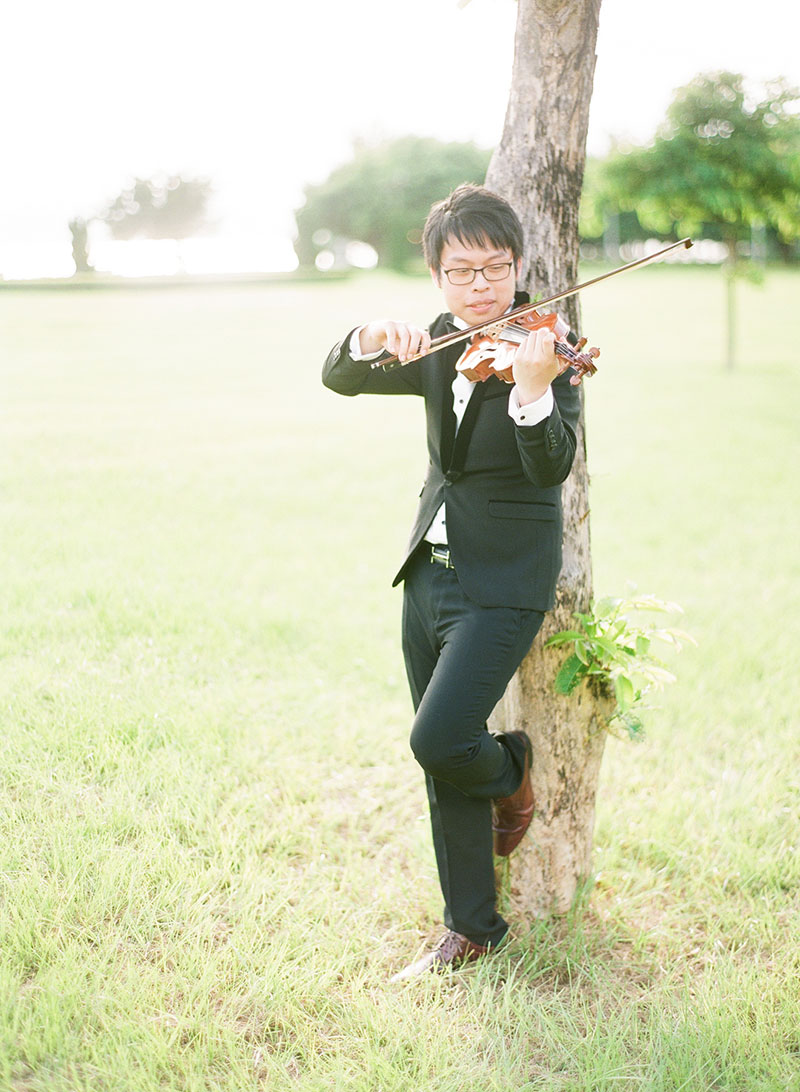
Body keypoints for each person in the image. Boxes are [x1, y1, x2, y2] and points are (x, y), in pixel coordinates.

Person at [322, 184, 582, 981]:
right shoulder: (439, 341)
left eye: (495, 269)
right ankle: (472, 928)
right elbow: (342, 379)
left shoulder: (548, 346)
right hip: (427, 576)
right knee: (442, 760)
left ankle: (512, 771)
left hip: (503, 580)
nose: (481, 286)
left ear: (516, 267)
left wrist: (534, 389)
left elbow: (552, 466)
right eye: (463, 272)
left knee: (440, 740)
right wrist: (367, 335)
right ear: (437, 274)